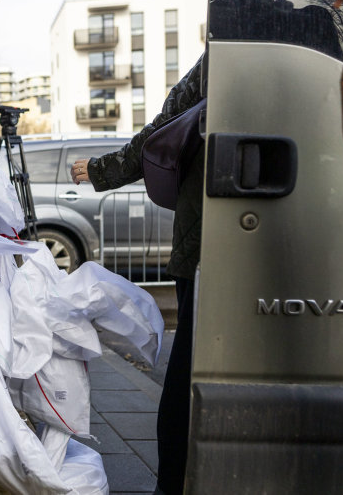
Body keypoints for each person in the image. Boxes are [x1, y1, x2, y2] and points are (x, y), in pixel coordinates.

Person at [71, 58, 204, 495]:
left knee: (189, 367)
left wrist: (102, 170)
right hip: (217, 233)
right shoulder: (312, 33)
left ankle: (172, 485)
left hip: (208, 235)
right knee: (190, 367)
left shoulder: (231, 40)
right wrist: (102, 170)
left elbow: (166, 124)